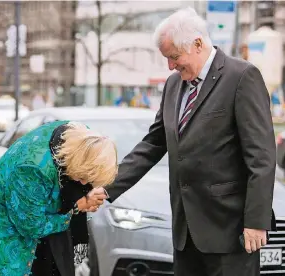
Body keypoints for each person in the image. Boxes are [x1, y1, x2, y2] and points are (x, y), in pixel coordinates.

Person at [104, 7, 276, 276]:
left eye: (174, 57)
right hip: (186, 233)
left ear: (197, 44)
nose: (170, 66)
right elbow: (152, 145)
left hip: (230, 231)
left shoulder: (242, 77)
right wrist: (106, 187)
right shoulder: (174, 85)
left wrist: (256, 221)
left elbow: (262, 158)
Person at [0, 120, 117, 276]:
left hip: (19, 214)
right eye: (83, 178)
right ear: (76, 161)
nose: (84, 184)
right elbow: (32, 226)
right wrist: (77, 207)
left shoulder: (76, 136)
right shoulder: (32, 169)